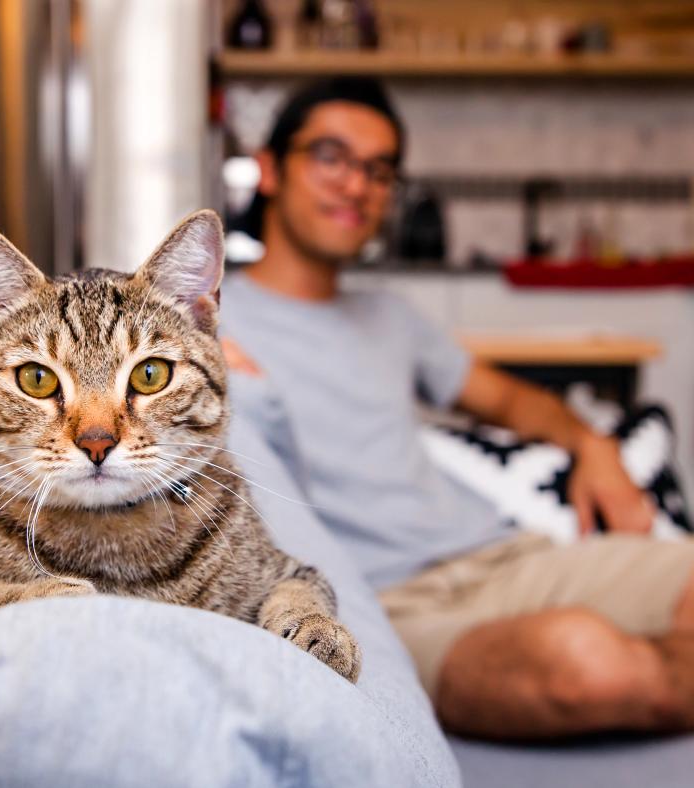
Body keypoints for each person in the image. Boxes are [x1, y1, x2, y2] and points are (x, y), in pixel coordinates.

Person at [218, 77, 694, 740]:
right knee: (588, 665)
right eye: (331, 156)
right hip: (391, 609)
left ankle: (655, 670)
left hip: (507, 559)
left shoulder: (393, 318)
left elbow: (508, 398)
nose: (357, 185)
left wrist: (595, 447)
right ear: (268, 169)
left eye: (379, 170)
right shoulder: (204, 326)